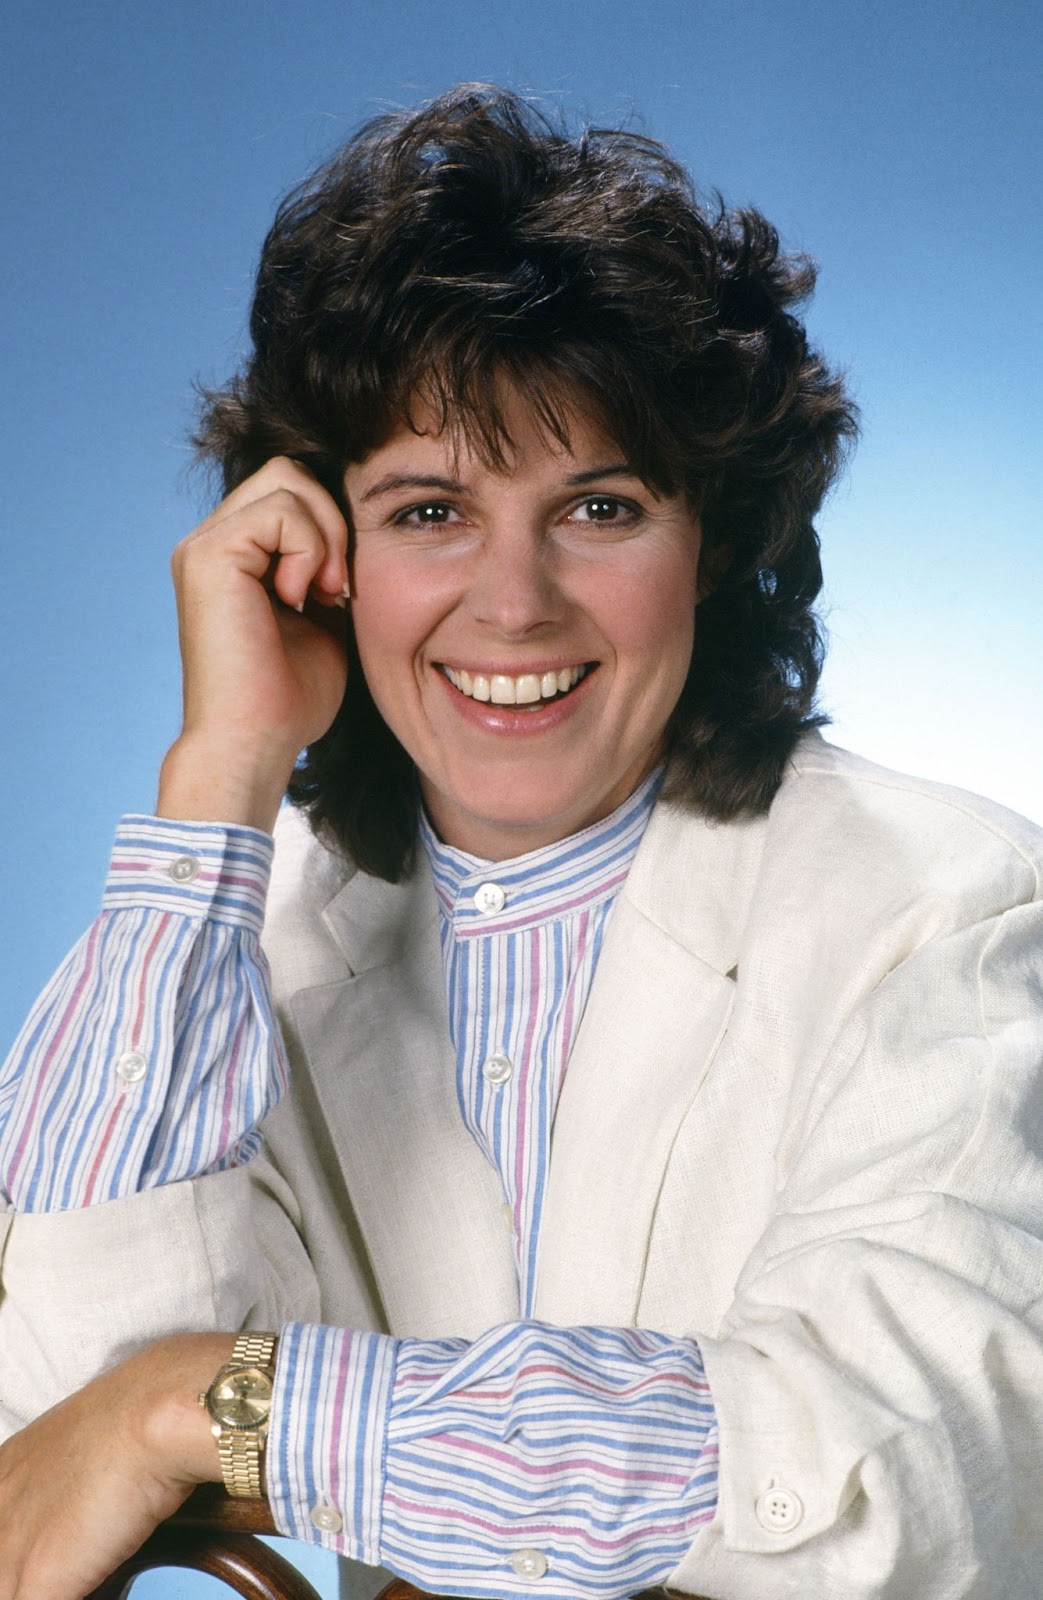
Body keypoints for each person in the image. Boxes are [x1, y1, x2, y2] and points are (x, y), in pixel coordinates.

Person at [0, 83, 1041, 1600]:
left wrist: (204, 1409)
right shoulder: (258, 940)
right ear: (323, 556)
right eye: (427, 510)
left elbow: (860, 1472)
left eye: (600, 507)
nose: (513, 603)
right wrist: (218, 772)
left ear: (719, 542)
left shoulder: (953, 910)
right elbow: (58, 1414)